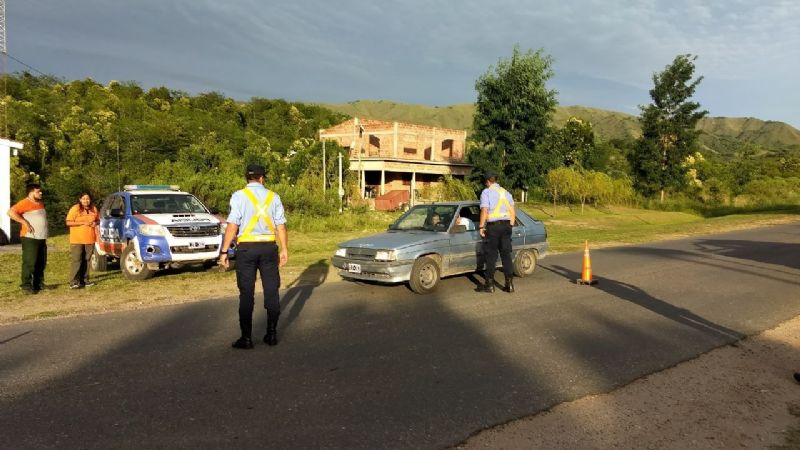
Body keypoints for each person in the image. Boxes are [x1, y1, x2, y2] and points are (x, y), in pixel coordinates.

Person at [219, 164, 288, 350]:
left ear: (247, 178)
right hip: (268, 248)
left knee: (246, 294)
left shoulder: (239, 196)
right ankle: (272, 334)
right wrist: (284, 249)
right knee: (271, 291)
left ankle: (246, 338)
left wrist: (224, 251)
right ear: (262, 178)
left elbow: (232, 226)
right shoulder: (274, 197)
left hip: (246, 249)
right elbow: (281, 225)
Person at [478, 172, 516, 293]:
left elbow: (484, 210)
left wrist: (481, 227)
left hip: (493, 227)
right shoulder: (506, 192)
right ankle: (509, 285)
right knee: (506, 255)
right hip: (506, 226)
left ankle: (489, 285)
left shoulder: (486, 192)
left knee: (491, 255)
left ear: (487, 181)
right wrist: (510, 225)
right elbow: (513, 212)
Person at [8, 183, 48, 294]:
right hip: (30, 237)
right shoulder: (25, 203)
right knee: (30, 261)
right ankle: (26, 285)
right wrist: (24, 222)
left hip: (41, 237)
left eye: (40, 191)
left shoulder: (40, 203)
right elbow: (11, 212)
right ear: (31, 193)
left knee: (41, 262)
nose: (40, 193)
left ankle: (38, 283)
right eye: (38, 191)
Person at [65, 192, 99, 289]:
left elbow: (98, 220)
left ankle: (84, 280)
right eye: (83, 199)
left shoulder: (94, 208)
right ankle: (74, 282)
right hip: (77, 240)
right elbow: (68, 222)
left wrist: (95, 223)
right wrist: (83, 222)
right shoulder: (75, 208)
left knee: (87, 260)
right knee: (77, 260)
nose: (86, 201)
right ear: (80, 199)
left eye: (87, 198)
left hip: (90, 239)